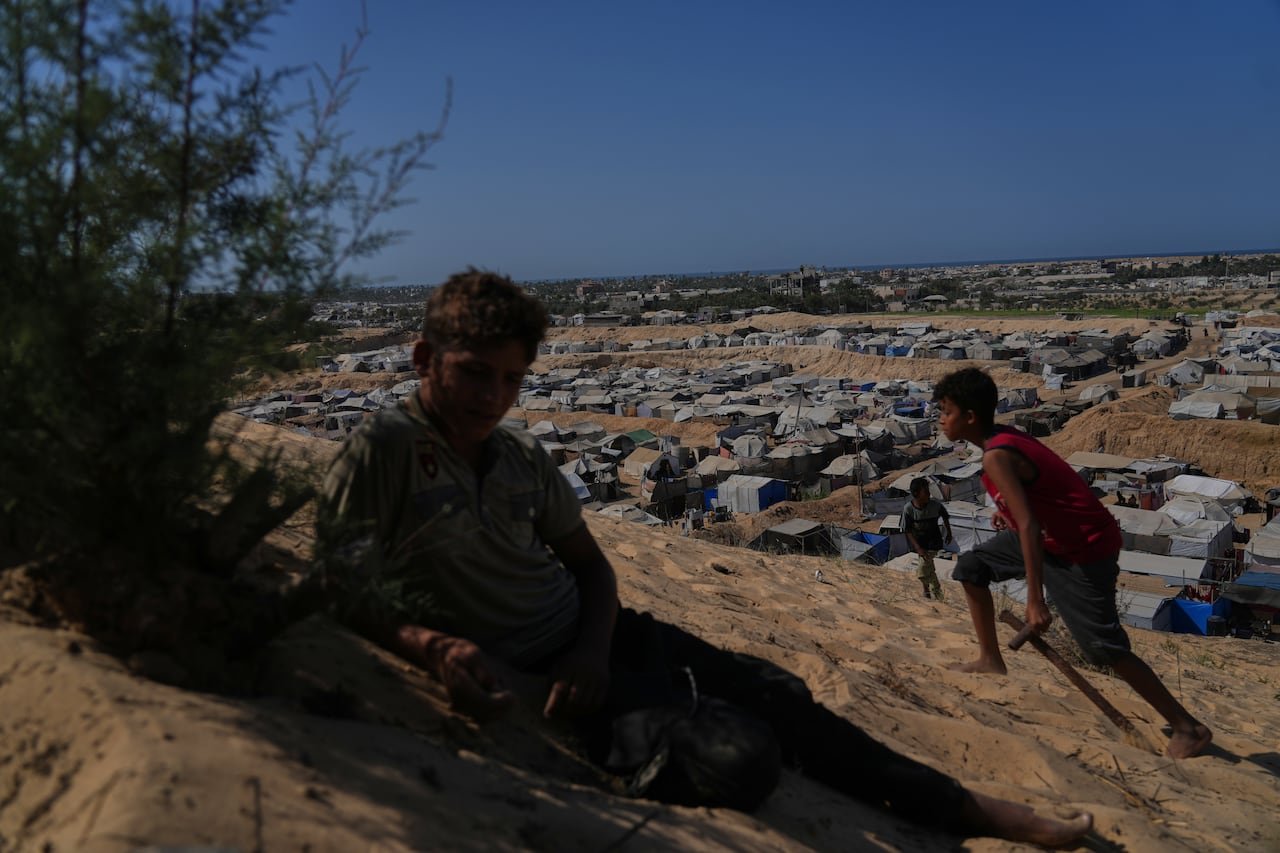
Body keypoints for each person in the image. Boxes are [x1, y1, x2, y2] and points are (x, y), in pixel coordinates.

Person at [318, 270, 1093, 845]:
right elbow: (336, 581)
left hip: (599, 638)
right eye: (474, 373)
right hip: (538, 674)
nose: (494, 396)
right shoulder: (385, 450)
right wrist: (429, 644)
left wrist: (591, 645)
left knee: (783, 692)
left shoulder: (517, 453)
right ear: (423, 357)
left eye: (512, 379)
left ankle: (967, 807)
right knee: (742, 756)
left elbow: (591, 567)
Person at [932, 367, 1212, 760]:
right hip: (1052, 537)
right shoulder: (1003, 440)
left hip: (1080, 548)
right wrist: (1006, 512)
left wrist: (1034, 601)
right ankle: (990, 660)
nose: (941, 419)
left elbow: (1030, 527)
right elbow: (1036, 500)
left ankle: (1188, 727)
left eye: (946, 411)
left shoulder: (998, 454)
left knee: (1102, 647)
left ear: (970, 417)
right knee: (971, 568)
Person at [902, 477, 952, 600]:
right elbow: (907, 530)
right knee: (927, 567)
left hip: (933, 542)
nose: (929, 494)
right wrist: (917, 547)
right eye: (925, 491)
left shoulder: (935, 505)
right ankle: (934, 593)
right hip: (920, 543)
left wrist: (949, 533)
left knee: (922, 569)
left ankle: (931, 591)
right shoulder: (908, 509)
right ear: (916, 494)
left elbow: (945, 516)